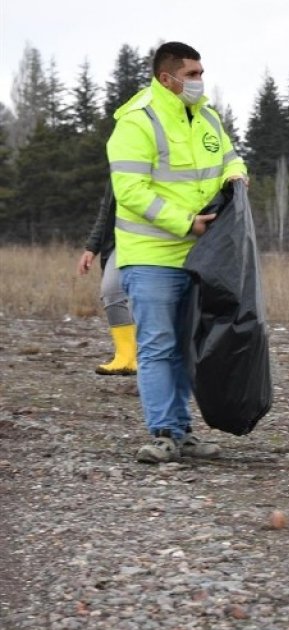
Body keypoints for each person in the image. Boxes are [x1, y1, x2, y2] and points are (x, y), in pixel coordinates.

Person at [107, 42, 248, 463]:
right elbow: (130, 191)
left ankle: (183, 432)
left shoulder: (206, 116)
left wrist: (238, 173)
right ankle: (164, 433)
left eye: (201, 73)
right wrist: (184, 221)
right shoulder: (137, 122)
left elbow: (228, 157)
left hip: (199, 256)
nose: (199, 81)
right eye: (192, 74)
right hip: (152, 254)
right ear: (167, 78)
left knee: (188, 348)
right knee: (158, 345)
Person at [75, 184, 136, 375]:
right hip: (123, 242)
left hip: (167, 241)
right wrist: (92, 247)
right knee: (111, 290)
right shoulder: (120, 165)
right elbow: (107, 211)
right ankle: (126, 357)